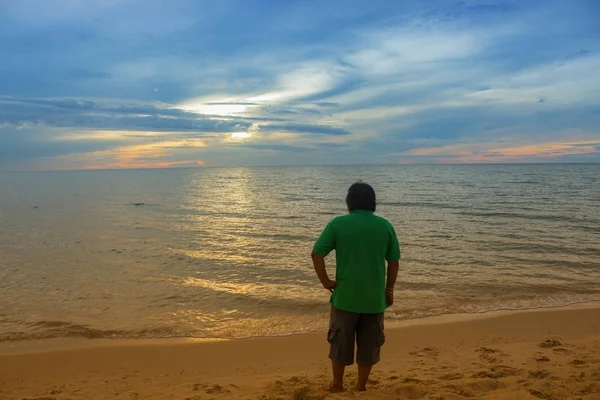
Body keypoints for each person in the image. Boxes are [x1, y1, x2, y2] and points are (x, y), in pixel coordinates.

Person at [311, 182, 400, 392]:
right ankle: (361, 385)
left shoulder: (338, 224)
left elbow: (317, 254)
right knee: (369, 346)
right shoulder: (385, 226)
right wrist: (389, 291)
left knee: (340, 343)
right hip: (375, 299)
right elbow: (394, 262)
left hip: (345, 298)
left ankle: (337, 384)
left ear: (349, 202)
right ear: (373, 202)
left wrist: (326, 282)